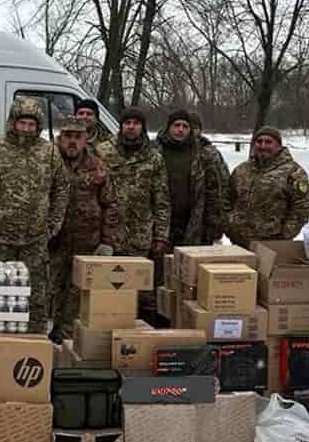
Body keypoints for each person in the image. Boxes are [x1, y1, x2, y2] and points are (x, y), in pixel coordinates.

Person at [0, 96, 70, 333]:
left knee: (36, 301)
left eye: (31, 124)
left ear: (39, 126)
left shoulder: (50, 153)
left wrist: (51, 228)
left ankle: (34, 348)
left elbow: (62, 190)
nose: (26, 128)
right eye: (22, 122)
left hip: (35, 242)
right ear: (13, 122)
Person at [97, 106, 170, 325]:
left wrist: (160, 236)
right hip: (108, 234)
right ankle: (105, 328)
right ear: (121, 126)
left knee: (137, 290)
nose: (131, 127)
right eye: (127, 123)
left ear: (142, 127)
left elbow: (161, 199)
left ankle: (133, 332)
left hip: (140, 236)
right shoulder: (104, 151)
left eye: (136, 123)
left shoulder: (153, 157)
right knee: (107, 287)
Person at [50, 115, 118, 341]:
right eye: (67, 136)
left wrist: (107, 242)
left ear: (86, 138)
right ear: (60, 138)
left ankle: (67, 344)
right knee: (50, 293)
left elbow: (110, 204)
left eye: (77, 137)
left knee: (77, 298)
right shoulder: (49, 161)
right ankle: (46, 343)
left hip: (86, 245)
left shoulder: (97, 165)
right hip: (54, 243)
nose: (72, 142)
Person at [226, 126, 309, 250]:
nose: (263, 146)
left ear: (278, 145)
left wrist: (285, 235)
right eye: (259, 141)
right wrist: (229, 227)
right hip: (240, 243)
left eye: (268, 142)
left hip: (273, 244)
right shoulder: (241, 170)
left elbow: (301, 209)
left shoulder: (293, 172)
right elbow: (228, 200)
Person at [156, 109, 224, 250]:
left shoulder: (203, 153)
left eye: (185, 126)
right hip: (160, 223)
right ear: (168, 127)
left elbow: (214, 191)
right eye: (176, 125)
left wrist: (213, 223)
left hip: (193, 224)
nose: (180, 130)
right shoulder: (155, 151)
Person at [188, 110, 231, 241]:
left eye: (195, 128)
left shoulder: (210, 154)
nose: (191, 132)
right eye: (188, 127)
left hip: (205, 219)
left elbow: (223, 188)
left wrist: (219, 221)